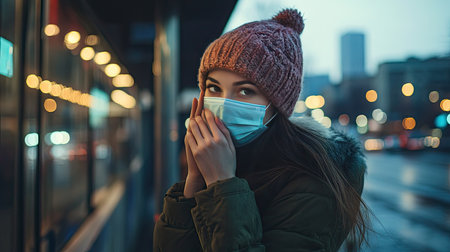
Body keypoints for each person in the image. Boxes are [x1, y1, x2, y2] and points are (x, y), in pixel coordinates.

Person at [153, 8, 370, 252]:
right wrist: (194, 179)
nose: (224, 103)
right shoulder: (220, 159)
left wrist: (223, 184)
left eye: (245, 91)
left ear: (277, 105)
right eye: (214, 88)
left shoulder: (313, 180)